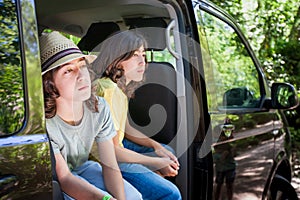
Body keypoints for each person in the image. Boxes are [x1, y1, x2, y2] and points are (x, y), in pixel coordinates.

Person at [40, 31, 142, 200]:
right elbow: (65, 178)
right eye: (68, 71)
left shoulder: (99, 108)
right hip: (59, 178)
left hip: (84, 166)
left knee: (134, 197)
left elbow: (110, 165)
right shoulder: (46, 123)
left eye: (82, 66)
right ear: (49, 85)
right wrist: (104, 199)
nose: (82, 76)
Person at [92, 30, 182, 200]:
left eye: (143, 54)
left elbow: (125, 127)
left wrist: (156, 146)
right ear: (116, 60)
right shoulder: (108, 90)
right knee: (171, 193)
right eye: (135, 55)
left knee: (166, 150)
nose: (143, 62)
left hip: (116, 147)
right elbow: (113, 151)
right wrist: (157, 163)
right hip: (105, 158)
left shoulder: (116, 87)